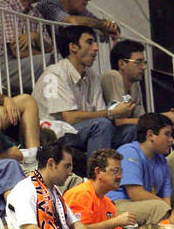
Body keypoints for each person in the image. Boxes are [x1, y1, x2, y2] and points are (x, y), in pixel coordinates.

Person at [8, 140, 127, 229]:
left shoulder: (55, 191)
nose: (71, 172)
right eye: (67, 166)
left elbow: (76, 225)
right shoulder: (25, 189)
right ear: (51, 164)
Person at [33, 25, 134, 157]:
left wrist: (113, 112)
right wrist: (111, 113)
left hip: (82, 130)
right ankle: (97, 175)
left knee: (130, 130)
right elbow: (69, 117)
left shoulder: (92, 75)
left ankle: (125, 174)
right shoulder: (55, 73)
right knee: (101, 125)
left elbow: (100, 112)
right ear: (73, 47)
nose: (96, 48)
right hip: (55, 134)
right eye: (89, 42)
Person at [104, 112, 174, 227]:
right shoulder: (129, 152)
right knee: (159, 208)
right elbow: (136, 194)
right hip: (113, 205)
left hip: (139, 205)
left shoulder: (162, 161)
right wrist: (167, 208)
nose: (171, 140)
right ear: (150, 135)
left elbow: (166, 197)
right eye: (167, 134)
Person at [100, 39, 174, 131]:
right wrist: (163, 117)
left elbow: (142, 119)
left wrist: (168, 120)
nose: (144, 67)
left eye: (144, 62)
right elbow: (119, 122)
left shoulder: (134, 83)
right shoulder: (113, 76)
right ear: (121, 64)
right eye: (138, 62)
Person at [64, 147, 136, 229]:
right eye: (115, 171)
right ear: (98, 172)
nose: (120, 176)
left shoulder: (108, 203)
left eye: (121, 171)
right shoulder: (80, 194)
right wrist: (115, 222)